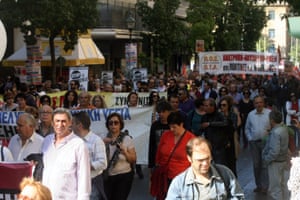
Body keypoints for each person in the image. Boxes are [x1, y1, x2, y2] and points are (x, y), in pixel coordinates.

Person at [166, 137, 244, 200]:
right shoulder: (179, 183)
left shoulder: (225, 174)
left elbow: (238, 196)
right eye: (200, 160)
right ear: (189, 158)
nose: (205, 163)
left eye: (208, 158)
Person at [42, 108, 91, 200]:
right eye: (57, 121)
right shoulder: (47, 141)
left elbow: (84, 177)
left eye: (63, 121)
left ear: (70, 123)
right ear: (52, 123)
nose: (60, 125)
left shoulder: (78, 144)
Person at [153, 111, 195, 200]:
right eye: (170, 126)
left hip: (181, 178)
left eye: (174, 127)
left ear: (181, 124)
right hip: (164, 176)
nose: (171, 129)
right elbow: (159, 152)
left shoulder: (191, 139)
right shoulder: (166, 135)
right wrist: (155, 167)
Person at [72, 112, 107, 200]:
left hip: (92, 182)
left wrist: (84, 166)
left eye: (72, 123)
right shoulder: (72, 140)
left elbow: (103, 163)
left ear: (79, 125)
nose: (70, 125)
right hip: (75, 182)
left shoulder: (96, 141)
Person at [103, 113, 136, 200]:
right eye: (110, 123)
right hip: (108, 176)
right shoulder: (104, 139)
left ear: (120, 124)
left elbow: (133, 159)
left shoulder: (127, 139)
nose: (113, 125)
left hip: (124, 176)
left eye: (116, 123)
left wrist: (125, 152)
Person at [245, 96, 271, 194]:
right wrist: (250, 138)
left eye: (260, 102)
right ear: (254, 104)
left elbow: (273, 126)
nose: (258, 104)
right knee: (256, 165)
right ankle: (258, 185)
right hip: (254, 143)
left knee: (264, 165)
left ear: (263, 103)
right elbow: (247, 128)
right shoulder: (251, 115)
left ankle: (265, 186)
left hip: (266, 143)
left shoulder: (269, 113)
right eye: (256, 103)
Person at [262, 110, 290, 200]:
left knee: (275, 189)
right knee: (283, 186)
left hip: (275, 163)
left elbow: (274, 151)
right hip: (283, 161)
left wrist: (266, 159)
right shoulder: (284, 129)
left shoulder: (275, 132)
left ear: (272, 120)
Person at [200, 98, 231, 167]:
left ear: (212, 106)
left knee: (220, 166)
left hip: (219, 146)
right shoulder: (204, 117)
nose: (204, 107)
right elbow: (201, 128)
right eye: (204, 105)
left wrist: (210, 124)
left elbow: (225, 123)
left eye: (206, 105)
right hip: (209, 146)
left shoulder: (219, 115)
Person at [219, 95, 241, 176]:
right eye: (221, 105)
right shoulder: (218, 116)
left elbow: (234, 127)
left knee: (231, 164)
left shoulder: (233, 115)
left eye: (224, 105)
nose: (222, 107)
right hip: (221, 142)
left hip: (231, 141)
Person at [148, 101, 172, 170]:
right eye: (159, 112)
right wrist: (151, 164)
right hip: (157, 161)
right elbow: (151, 144)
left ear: (169, 111)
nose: (161, 114)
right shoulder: (155, 125)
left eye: (164, 112)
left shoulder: (173, 125)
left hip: (171, 160)